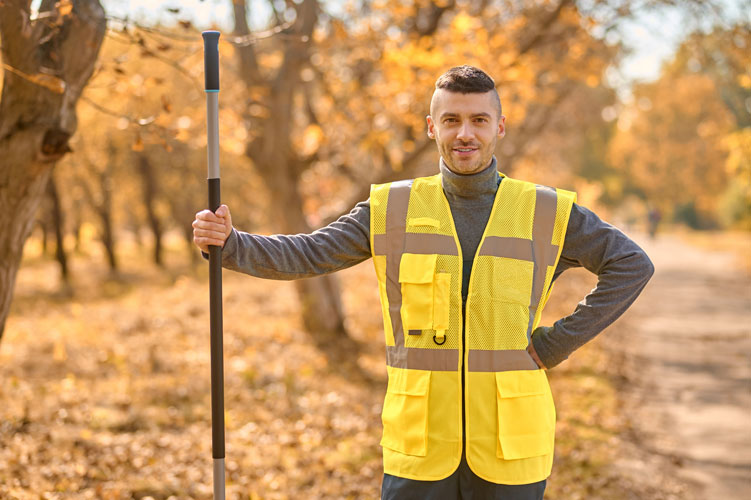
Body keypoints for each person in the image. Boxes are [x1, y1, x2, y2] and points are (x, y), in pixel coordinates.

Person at [192, 66, 654, 500]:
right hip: (420, 448)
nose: (465, 133)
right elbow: (309, 252)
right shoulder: (391, 209)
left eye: (478, 120)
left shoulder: (547, 210)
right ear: (432, 127)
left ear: (500, 126)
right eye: (451, 120)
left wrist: (556, 344)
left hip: (512, 447)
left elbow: (632, 265)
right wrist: (232, 244)